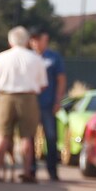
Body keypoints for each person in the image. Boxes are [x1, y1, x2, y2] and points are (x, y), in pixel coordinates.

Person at [0, 26, 49, 183]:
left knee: (3, 135)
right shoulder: (35, 58)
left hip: (6, 97)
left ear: (10, 41)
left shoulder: (1, 57)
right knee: (27, 136)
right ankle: (27, 172)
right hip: (28, 98)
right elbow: (43, 84)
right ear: (27, 41)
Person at [28, 27, 67, 182]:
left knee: (51, 137)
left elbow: (61, 80)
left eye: (38, 39)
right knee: (29, 137)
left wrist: (58, 100)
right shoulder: (27, 57)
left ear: (46, 39)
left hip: (48, 103)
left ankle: (52, 170)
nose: (35, 43)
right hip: (30, 104)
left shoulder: (53, 57)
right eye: (33, 39)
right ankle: (30, 169)